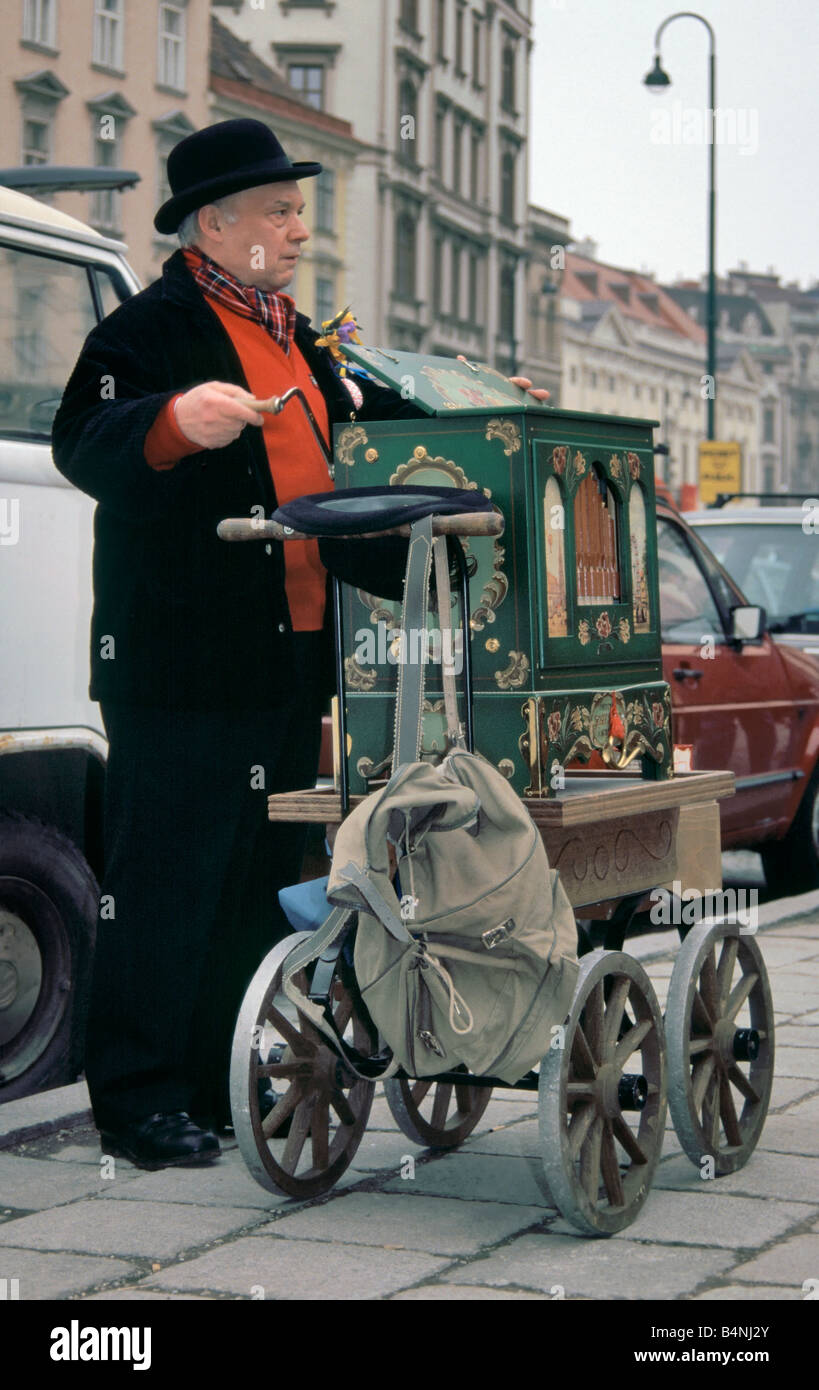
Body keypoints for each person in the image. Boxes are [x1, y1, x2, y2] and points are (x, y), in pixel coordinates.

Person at [52, 118, 547, 1171]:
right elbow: (85, 440)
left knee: (257, 876)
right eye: (278, 209)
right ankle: (139, 1103)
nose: (297, 225)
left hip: (292, 658)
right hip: (183, 662)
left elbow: (377, 436)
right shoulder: (145, 330)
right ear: (215, 224)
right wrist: (178, 420)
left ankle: (219, 1078)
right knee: (168, 879)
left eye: (297, 207)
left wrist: (495, 407)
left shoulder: (303, 339)